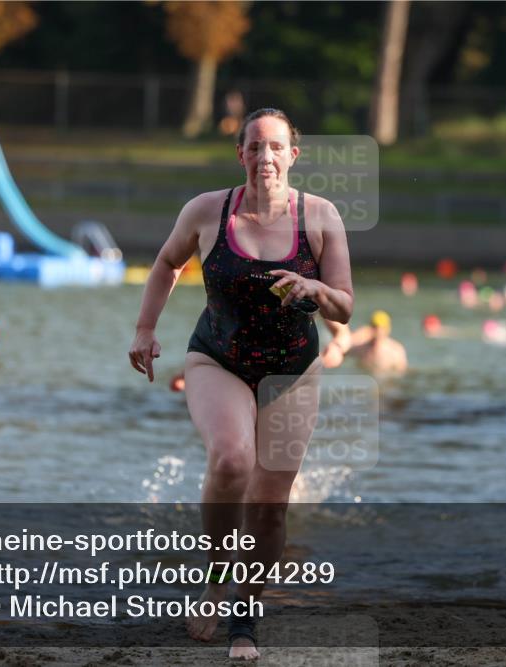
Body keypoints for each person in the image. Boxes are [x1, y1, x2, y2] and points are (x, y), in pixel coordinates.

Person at [129, 108, 353, 660]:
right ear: (241, 154)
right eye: (255, 147)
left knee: (270, 504)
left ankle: (245, 619)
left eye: (276, 147)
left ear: (292, 156)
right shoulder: (207, 211)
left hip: (292, 371)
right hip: (217, 358)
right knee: (231, 459)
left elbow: (345, 307)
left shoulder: (321, 217)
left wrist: (312, 287)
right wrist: (144, 329)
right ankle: (214, 580)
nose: (265, 157)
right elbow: (165, 263)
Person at [322, 310, 407, 375]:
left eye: (381, 328)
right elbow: (342, 352)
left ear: (387, 329)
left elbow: (402, 373)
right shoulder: (361, 348)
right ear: (370, 328)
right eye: (375, 327)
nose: (378, 331)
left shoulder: (396, 351)